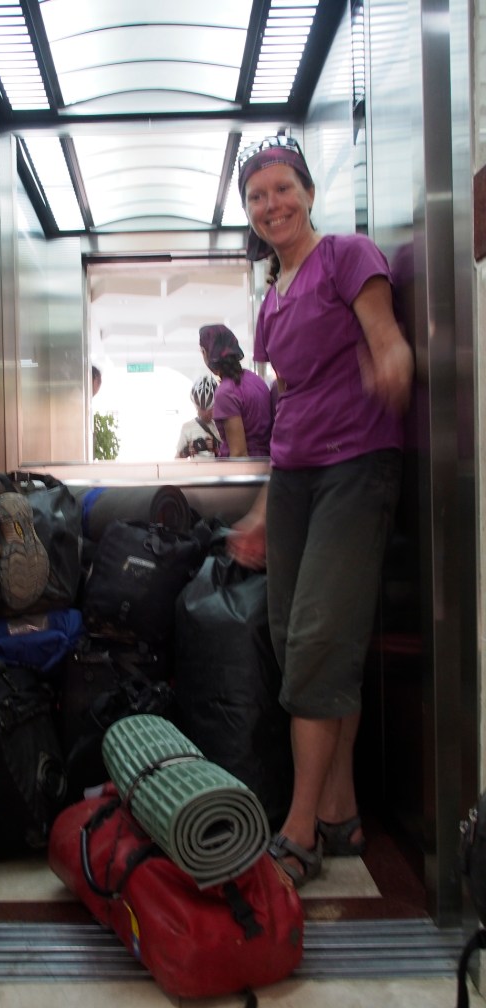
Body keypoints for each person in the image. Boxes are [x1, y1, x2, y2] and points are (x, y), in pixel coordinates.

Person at [228, 135, 414, 888]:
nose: (272, 204)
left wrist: (398, 363)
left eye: (283, 188)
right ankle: (340, 808)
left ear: (306, 192)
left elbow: (386, 339)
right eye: (257, 196)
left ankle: (299, 829)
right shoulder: (271, 300)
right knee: (299, 641)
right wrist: (266, 508)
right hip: (297, 479)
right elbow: (290, 409)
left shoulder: (346, 255)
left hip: (356, 469)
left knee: (315, 644)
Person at [198, 323, 272, 457]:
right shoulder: (255, 380)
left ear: (206, 352)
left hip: (245, 471)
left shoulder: (226, 392)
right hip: (265, 463)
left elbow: (238, 453)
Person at [175, 375, 221, 458]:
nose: (205, 413)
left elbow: (233, 452)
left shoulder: (223, 426)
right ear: (195, 405)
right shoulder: (187, 427)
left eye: (210, 408)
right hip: (196, 470)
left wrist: (215, 447)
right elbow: (178, 458)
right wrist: (187, 451)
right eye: (201, 409)